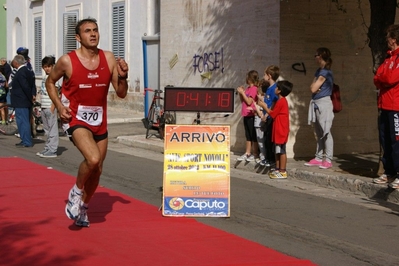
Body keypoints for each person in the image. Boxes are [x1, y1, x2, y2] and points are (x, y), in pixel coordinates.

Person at [46, 18, 129, 227]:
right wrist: (59, 105)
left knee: (98, 168)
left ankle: (82, 207)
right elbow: (49, 82)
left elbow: (121, 94)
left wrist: (124, 77)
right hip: (75, 117)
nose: (92, 34)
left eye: (95, 30)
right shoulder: (67, 61)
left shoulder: (108, 58)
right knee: (92, 159)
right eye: (87, 31)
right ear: (78, 37)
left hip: (99, 120)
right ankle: (76, 191)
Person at [373, 24, 399, 189]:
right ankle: (389, 172)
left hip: (396, 106)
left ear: (394, 39)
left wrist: (382, 78)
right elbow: (377, 76)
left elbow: (390, 78)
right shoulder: (388, 57)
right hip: (384, 104)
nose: (387, 41)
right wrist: (382, 77)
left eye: (388, 37)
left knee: (397, 141)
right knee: (386, 140)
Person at [304, 47, 335, 169]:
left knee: (326, 131)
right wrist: (316, 87)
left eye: (316, 55)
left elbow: (313, 88)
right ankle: (318, 157)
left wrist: (316, 87)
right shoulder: (319, 71)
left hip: (324, 103)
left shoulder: (325, 72)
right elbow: (312, 86)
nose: (315, 57)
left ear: (321, 56)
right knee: (318, 131)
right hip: (316, 102)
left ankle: (328, 159)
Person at [258, 80, 293, 179]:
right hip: (277, 129)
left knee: (281, 150)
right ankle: (277, 168)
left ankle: (283, 170)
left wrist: (264, 106)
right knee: (276, 150)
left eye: (277, 88)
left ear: (279, 91)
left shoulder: (282, 101)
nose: (275, 89)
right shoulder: (279, 101)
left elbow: (273, 114)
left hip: (281, 130)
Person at [36, 56, 61, 158]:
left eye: (49, 66)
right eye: (45, 67)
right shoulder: (45, 77)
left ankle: (52, 150)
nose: (47, 69)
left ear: (53, 66)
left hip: (50, 106)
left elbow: (56, 92)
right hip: (44, 106)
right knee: (47, 128)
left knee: (52, 128)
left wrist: (53, 106)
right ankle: (48, 147)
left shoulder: (54, 77)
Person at [10, 55, 35, 147]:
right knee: (23, 121)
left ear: (16, 63)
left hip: (21, 101)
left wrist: (30, 97)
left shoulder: (21, 72)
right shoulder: (28, 71)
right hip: (23, 100)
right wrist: (32, 95)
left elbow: (25, 86)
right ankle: (24, 139)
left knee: (22, 121)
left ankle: (26, 140)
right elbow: (32, 84)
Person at [236, 70, 259, 162]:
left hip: (252, 115)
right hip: (246, 114)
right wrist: (241, 93)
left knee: (253, 135)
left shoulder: (254, 89)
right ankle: (247, 152)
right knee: (248, 135)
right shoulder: (248, 88)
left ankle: (255, 153)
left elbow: (249, 102)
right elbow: (243, 101)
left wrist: (242, 93)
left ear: (250, 78)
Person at [262, 65, 280, 167]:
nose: (263, 76)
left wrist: (268, 113)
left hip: (270, 117)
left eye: (265, 74)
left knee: (270, 139)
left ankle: (271, 159)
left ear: (269, 76)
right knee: (266, 139)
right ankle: (267, 158)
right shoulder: (268, 88)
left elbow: (274, 103)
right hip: (266, 116)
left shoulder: (275, 88)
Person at [252, 79, 269, 166]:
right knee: (261, 140)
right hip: (259, 121)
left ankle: (264, 157)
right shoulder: (263, 98)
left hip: (260, 122)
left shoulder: (263, 99)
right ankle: (263, 156)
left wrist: (255, 106)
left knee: (261, 141)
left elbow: (261, 112)